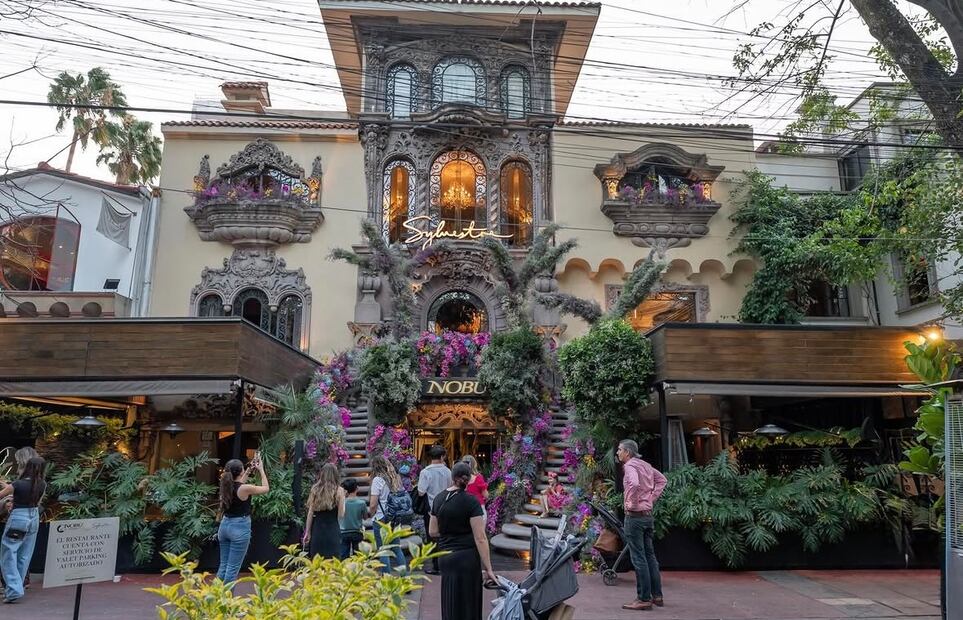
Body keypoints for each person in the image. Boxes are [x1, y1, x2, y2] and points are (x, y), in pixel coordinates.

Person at [429, 461, 497, 620]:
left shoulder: (439, 498)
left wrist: (449, 534)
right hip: (467, 557)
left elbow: (433, 531)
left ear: (452, 477)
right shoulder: (471, 501)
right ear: (469, 479)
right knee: (469, 601)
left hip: (446, 556)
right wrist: (489, 569)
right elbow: (480, 537)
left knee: (450, 597)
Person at [616, 439, 667, 611]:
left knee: (638, 558)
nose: (618, 453)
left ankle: (644, 598)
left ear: (628, 452)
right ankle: (657, 596)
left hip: (635, 517)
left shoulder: (630, 466)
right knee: (650, 556)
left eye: (620, 450)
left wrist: (631, 502)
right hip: (647, 517)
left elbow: (635, 483)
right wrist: (651, 498)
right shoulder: (645, 465)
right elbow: (662, 480)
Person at [215, 453, 269, 584]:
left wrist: (250, 469)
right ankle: (227, 602)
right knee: (232, 569)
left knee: (223, 567)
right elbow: (266, 488)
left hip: (225, 526)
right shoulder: (245, 488)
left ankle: (215, 598)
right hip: (239, 527)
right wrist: (261, 469)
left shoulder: (226, 486)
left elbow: (239, 482)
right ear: (240, 472)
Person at [0, 455, 45, 604]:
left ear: (27, 467)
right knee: (24, 555)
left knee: (8, 553)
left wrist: (7, 488)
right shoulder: (42, 484)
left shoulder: (18, 483)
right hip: (33, 518)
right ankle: (17, 587)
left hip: (18, 519)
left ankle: (14, 590)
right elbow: (34, 499)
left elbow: (4, 493)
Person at [367, 456, 407, 573]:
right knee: (396, 549)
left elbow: (373, 503)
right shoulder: (395, 479)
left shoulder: (377, 480)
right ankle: (404, 578)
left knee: (383, 550)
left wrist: (371, 514)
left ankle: (387, 579)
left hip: (381, 517)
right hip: (395, 517)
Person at [417, 445, 451, 575]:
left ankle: (436, 566)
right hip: (447, 507)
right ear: (442, 457)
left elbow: (421, 492)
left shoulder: (425, 472)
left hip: (431, 509)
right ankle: (446, 564)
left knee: (432, 537)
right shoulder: (448, 471)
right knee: (446, 535)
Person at [303, 463, 345, 560]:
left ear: (322, 474)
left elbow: (310, 512)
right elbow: (341, 514)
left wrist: (307, 532)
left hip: (317, 530)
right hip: (332, 530)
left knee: (317, 562)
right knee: (333, 562)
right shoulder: (339, 491)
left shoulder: (315, 489)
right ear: (335, 474)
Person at [339, 478, 367, 559]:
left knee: (343, 557)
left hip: (343, 532)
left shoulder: (342, 502)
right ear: (357, 488)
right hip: (357, 532)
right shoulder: (362, 503)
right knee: (358, 557)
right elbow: (365, 517)